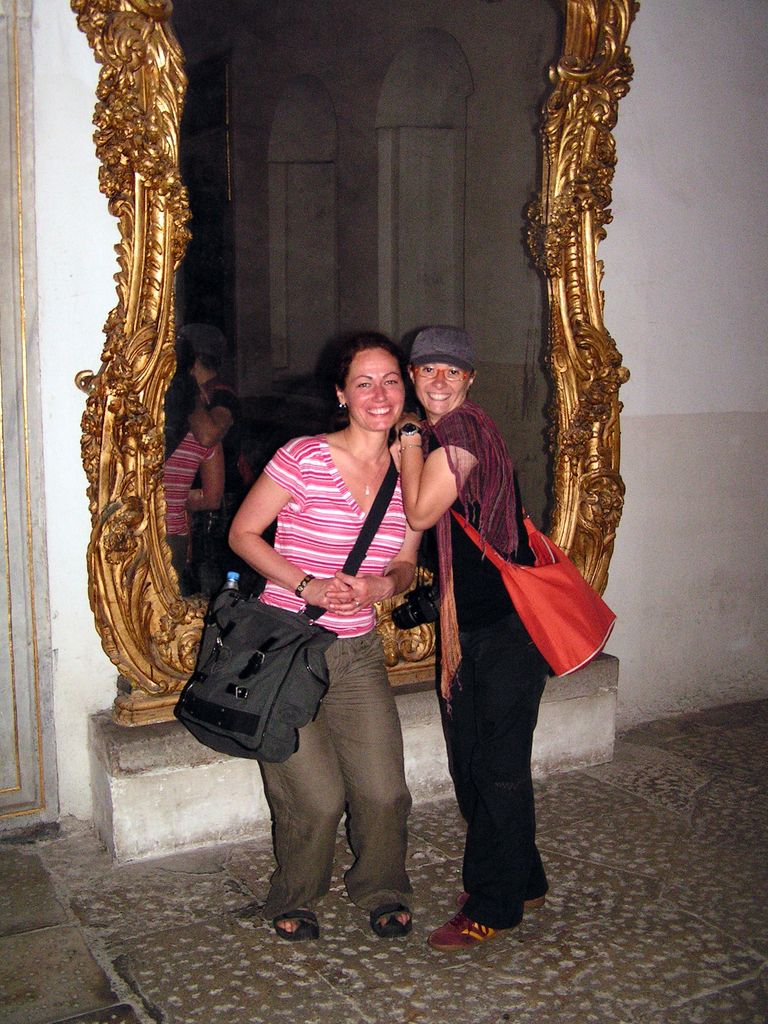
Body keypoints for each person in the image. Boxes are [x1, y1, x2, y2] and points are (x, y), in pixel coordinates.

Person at [228, 332, 420, 942]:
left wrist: (377, 589)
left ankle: (383, 886)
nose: (379, 394)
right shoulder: (303, 456)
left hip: (357, 652)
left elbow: (407, 563)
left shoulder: (411, 468)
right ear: (341, 393)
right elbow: (243, 534)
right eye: (363, 382)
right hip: (287, 647)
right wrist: (305, 583)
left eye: (390, 379)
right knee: (315, 798)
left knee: (385, 790)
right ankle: (296, 893)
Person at [397, 325, 550, 952]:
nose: (438, 380)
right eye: (427, 369)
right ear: (413, 376)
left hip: (508, 628)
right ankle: (525, 877)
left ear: (469, 382)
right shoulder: (450, 432)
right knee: (477, 762)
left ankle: (495, 904)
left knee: (494, 767)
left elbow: (419, 511)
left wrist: (407, 439)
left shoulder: (457, 433)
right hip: (477, 626)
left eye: (451, 372)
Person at [163, 339, 225, 593]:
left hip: (126, 533)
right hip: (173, 538)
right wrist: (176, 498)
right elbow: (211, 499)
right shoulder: (204, 435)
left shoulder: (133, 425)